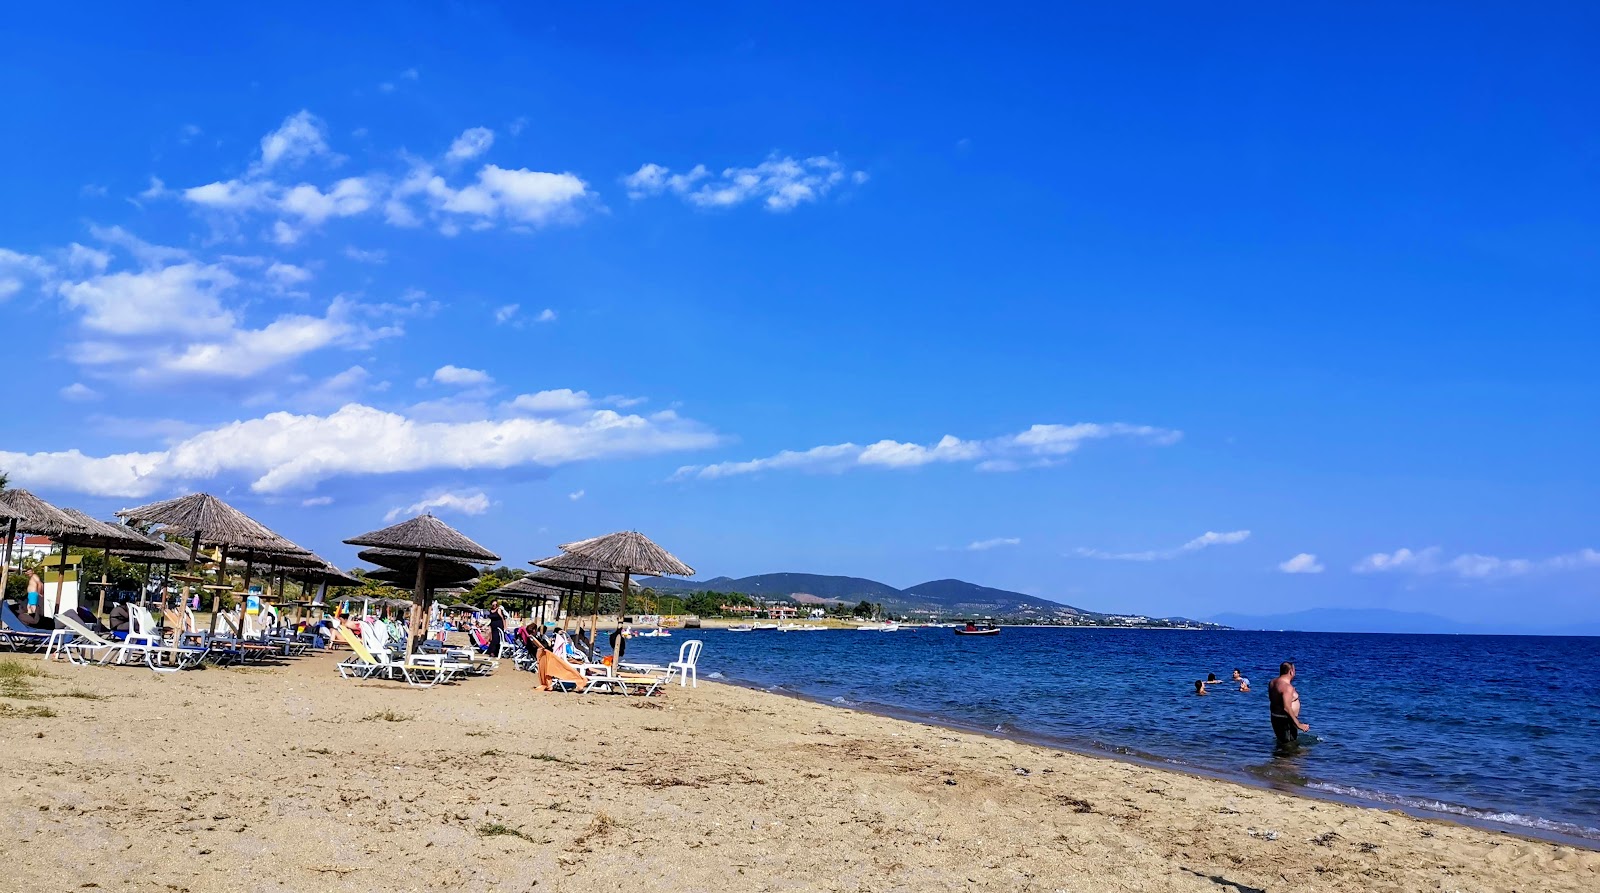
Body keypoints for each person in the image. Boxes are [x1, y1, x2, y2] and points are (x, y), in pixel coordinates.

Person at [1269, 661, 1309, 745]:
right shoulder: (1287, 687)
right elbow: (1286, 708)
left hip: (1276, 717)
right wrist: (1299, 724)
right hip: (1286, 721)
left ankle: (1279, 757)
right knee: (1289, 746)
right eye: (1294, 670)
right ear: (1291, 671)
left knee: (1283, 745)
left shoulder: (1272, 682)